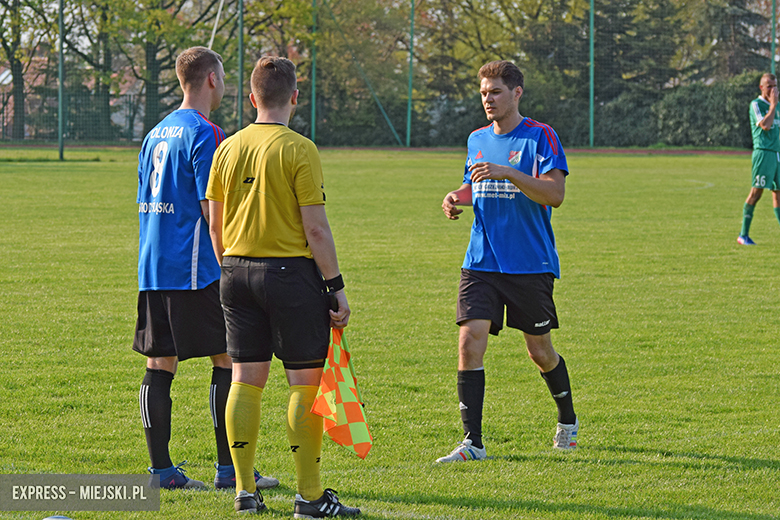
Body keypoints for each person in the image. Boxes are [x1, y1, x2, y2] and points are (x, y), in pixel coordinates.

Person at [206, 56, 360, 517]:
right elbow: (316, 230)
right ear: (295, 97)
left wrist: (232, 266)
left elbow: (214, 222)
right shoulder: (300, 148)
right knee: (303, 386)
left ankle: (245, 492)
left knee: (245, 380)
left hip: (234, 273)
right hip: (291, 277)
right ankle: (310, 498)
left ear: (251, 98)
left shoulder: (227, 148)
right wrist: (336, 286)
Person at [134, 46, 278, 491]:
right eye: (224, 77)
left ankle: (161, 472)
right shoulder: (206, 133)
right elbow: (211, 207)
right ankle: (229, 469)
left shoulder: (154, 132)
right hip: (195, 267)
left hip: (153, 266)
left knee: (160, 364)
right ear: (212, 79)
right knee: (229, 359)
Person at [436, 60, 578, 463]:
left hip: (529, 263)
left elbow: (555, 194)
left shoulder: (540, 137)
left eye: (495, 92)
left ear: (516, 93)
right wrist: (455, 198)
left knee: (540, 352)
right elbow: (473, 184)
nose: (488, 99)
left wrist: (509, 172)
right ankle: (473, 442)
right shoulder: (476, 138)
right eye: (483, 93)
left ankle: (567, 418)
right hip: (481, 261)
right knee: (469, 342)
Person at [738, 73, 780, 245]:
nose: (773, 89)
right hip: (763, 153)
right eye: (769, 86)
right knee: (756, 193)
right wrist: (773, 105)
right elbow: (766, 125)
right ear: (761, 88)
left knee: (778, 194)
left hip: (777, 154)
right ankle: (743, 235)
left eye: (775, 85)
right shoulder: (756, 105)